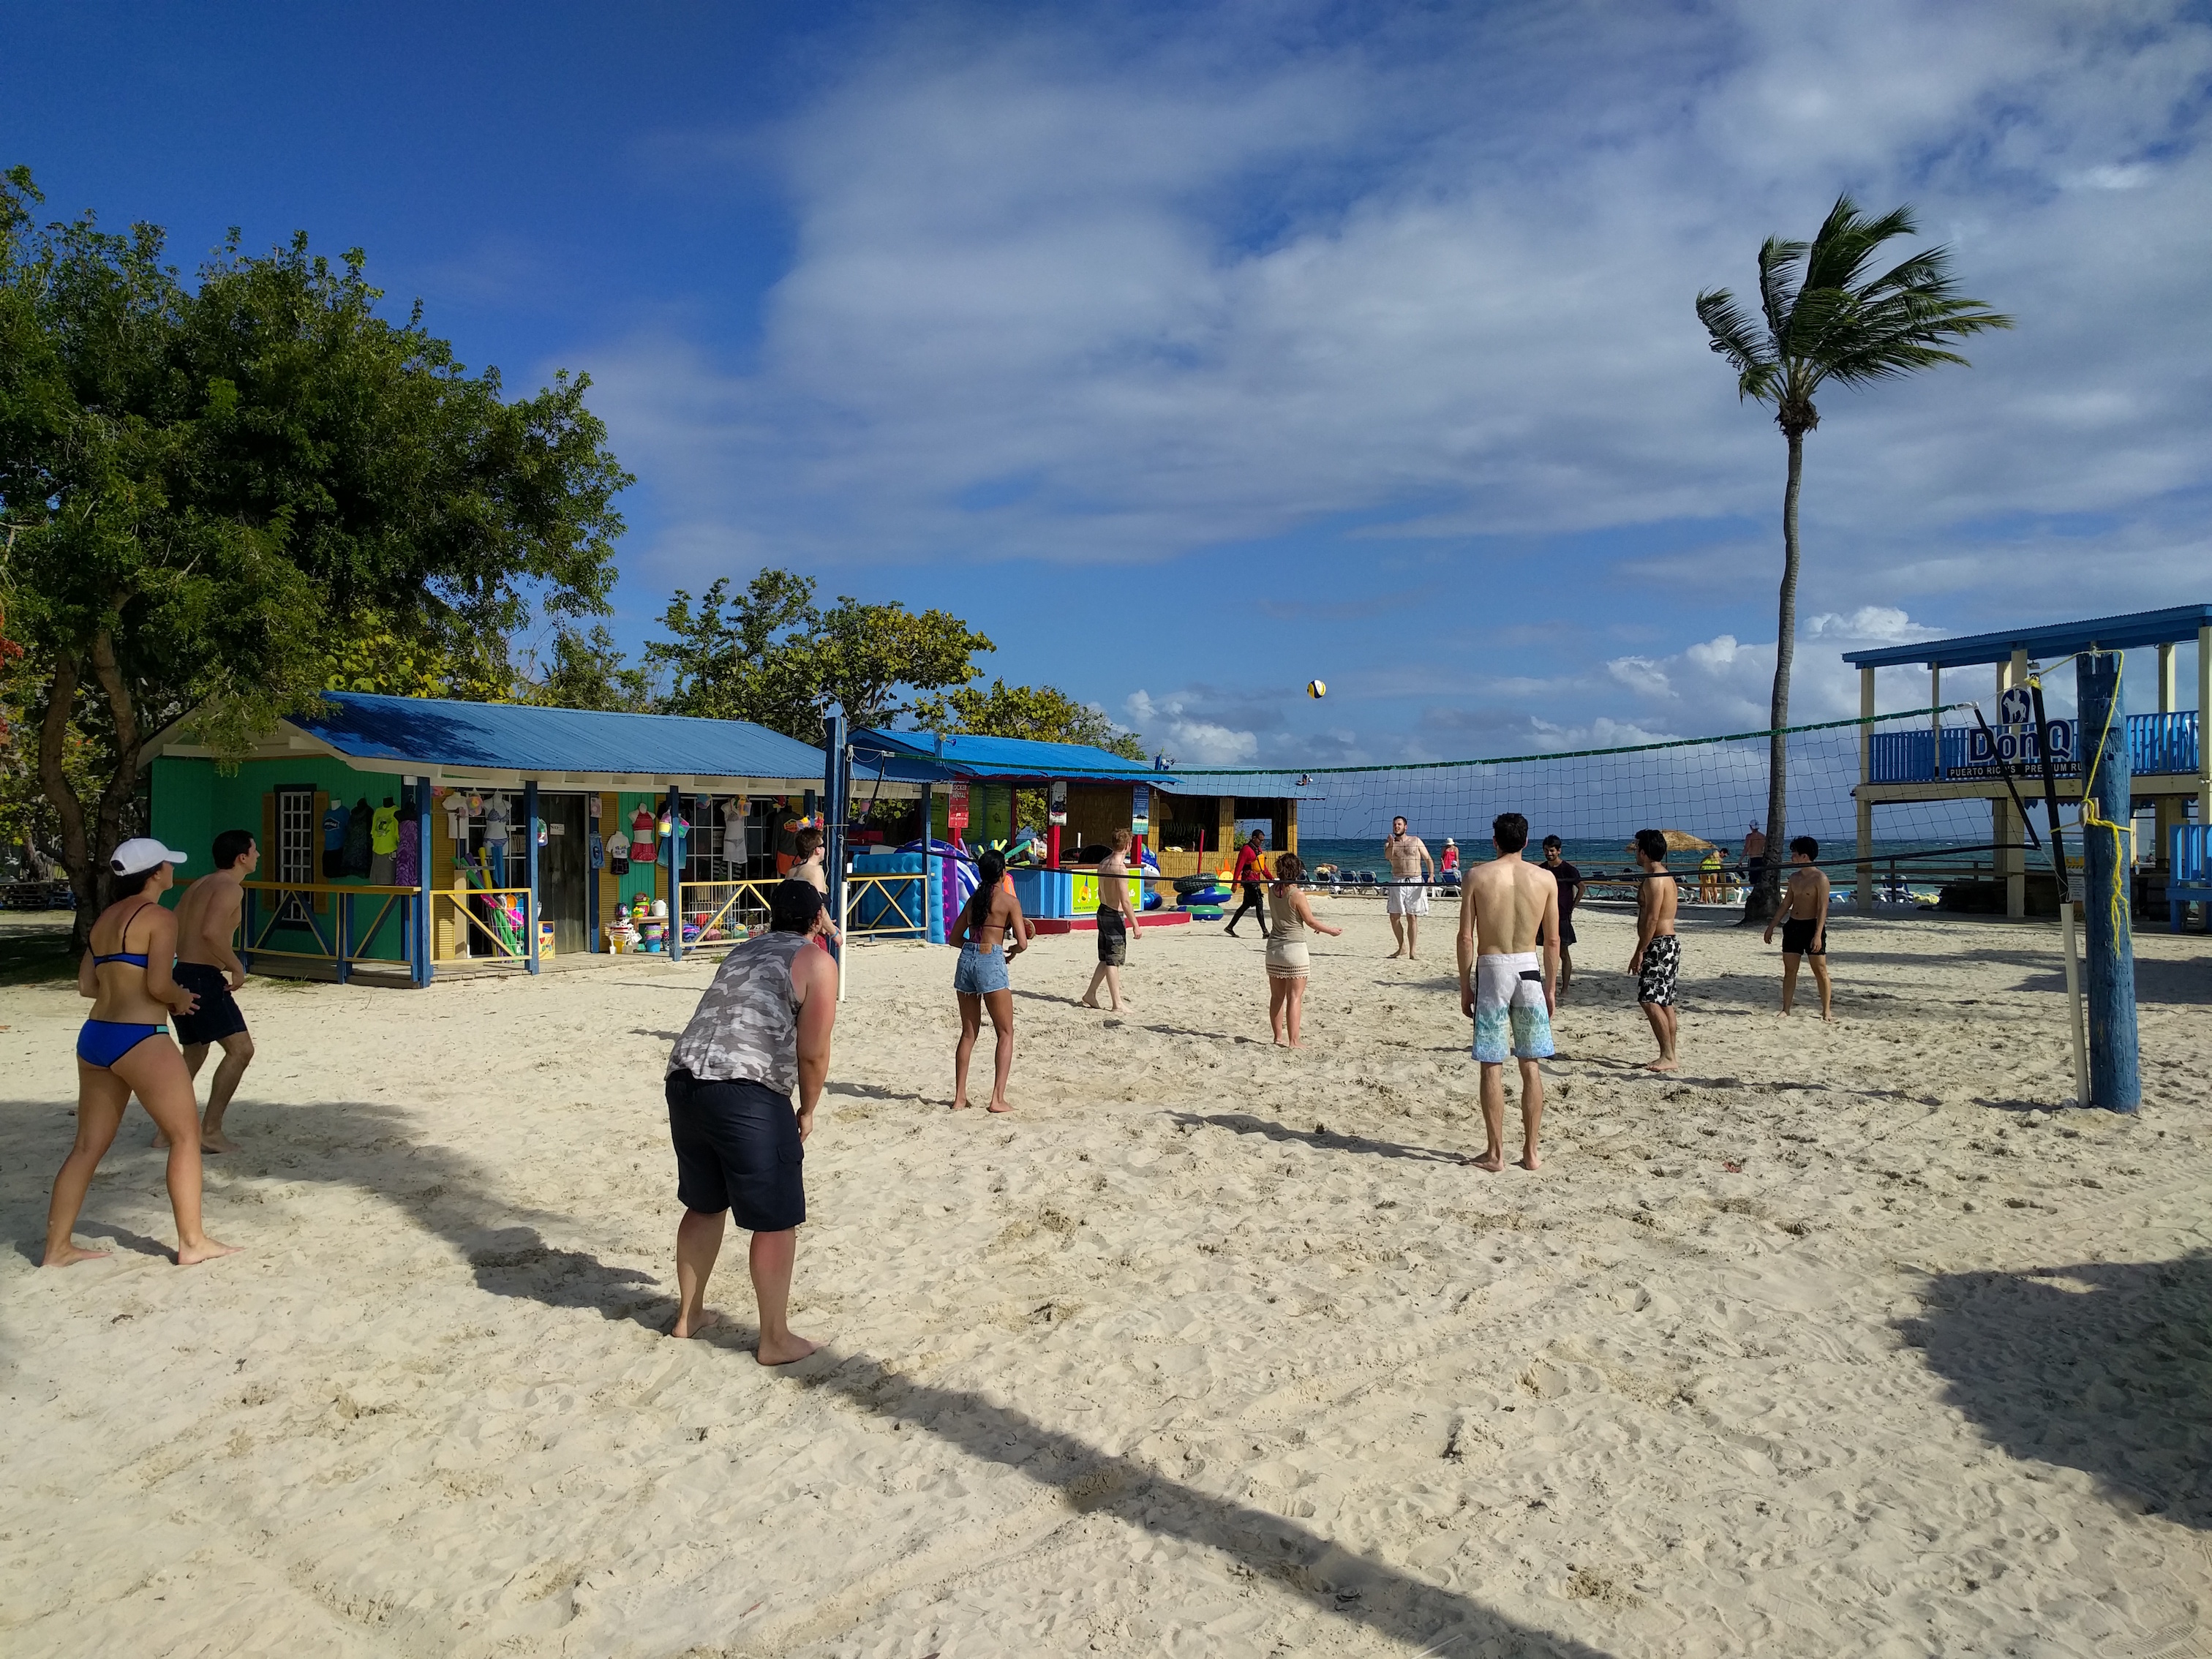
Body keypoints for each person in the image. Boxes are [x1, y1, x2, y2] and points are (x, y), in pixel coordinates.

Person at [663, 879, 838, 1363]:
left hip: (685, 1078)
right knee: (776, 1220)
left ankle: (689, 1315)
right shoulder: (817, 962)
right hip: (744, 1090)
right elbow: (813, 1052)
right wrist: (807, 1109)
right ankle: (775, 1339)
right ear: (815, 921)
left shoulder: (742, 951)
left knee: (704, 1204)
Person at [44, 838, 239, 1268]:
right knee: (186, 1136)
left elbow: (87, 986)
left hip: (95, 1035)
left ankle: (57, 1248)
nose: (173, 868)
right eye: (169, 863)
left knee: (86, 1148)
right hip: (140, 1037)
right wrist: (179, 998)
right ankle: (192, 1242)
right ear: (155, 873)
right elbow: (157, 984)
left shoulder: (103, 921)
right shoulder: (158, 917)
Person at [1456, 813, 1558, 1171]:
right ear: (1527, 842)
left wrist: (1464, 985)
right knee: (1530, 1065)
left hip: (1493, 968)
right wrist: (1551, 986)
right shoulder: (1545, 878)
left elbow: (1466, 937)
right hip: (1529, 967)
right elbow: (1553, 941)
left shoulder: (1477, 876)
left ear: (1494, 840)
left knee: (1492, 1064)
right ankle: (1531, 1153)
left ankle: (1496, 1153)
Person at [163, 829, 259, 1154]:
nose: (258, 856)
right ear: (241, 857)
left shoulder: (198, 885)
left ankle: (166, 1132)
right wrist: (236, 965)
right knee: (241, 1050)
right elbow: (210, 933)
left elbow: (173, 927)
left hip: (182, 974)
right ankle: (211, 1131)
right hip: (203, 977)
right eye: (255, 851)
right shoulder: (230, 887)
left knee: (194, 1051)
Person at [952, 846, 1029, 1112]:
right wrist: (1011, 953)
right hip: (991, 959)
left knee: (968, 1033)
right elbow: (1023, 941)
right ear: (1003, 873)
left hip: (967, 959)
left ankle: (960, 1098)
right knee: (1005, 1032)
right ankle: (997, 1099)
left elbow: (954, 938)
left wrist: (974, 948)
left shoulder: (973, 901)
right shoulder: (1009, 902)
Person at [1263, 853, 1341, 1047]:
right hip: (1294, 949)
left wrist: (1314, 925)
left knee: (1277, 997)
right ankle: (1294, 1041)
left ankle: (1277, 1038)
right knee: (1295, 997)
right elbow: (1310, 920)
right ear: (1297, 871)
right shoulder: (1297, 894)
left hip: (1273, 949)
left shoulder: (1272, 891)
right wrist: (1330, 931)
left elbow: (1297, 918)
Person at [1764, 835, 1833, 1020]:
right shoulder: (1794, 878)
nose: (1792, 856)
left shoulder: (1821, 878)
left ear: (1804, 856)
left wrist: (1818, 934)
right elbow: (1786, 904)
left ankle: (1826, 1010)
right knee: (1790, 970)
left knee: (1820, 970)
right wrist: (1771, 926)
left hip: (1812, 926)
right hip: (1794, 926)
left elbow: (1822, 909)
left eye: (1794, 853)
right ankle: (1786, 1009)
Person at [1629, 827, 1680, 1072]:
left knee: (1649, 1000)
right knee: (1665, 1002)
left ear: (1645, 852)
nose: (1634, 851)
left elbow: (1651, 918)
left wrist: (1640, 950)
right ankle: (1670, 1053)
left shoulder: (1656, 878)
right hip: (1666, 944)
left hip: (1660, 944)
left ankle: (1668, 1055)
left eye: (1637, 847)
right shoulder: (1658, 874)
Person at [1080, 828, 1140, 1012]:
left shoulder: (1104, 862)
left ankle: (1090, 994)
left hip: (1102, 910)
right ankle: (1117, 1003)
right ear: (1128, 845)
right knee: (1114, 960)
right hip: (1113, 914)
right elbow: (1126, 901)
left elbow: (1099, 891)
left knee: (1106, 958)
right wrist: (1136, 925)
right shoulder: (1119, 868)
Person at [1538, 835, 1584, 1001]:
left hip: (1563, 916)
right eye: (1546, 850)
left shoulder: (1568, 869)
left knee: (1563, 952)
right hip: (1545, 916)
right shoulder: (1542, 869)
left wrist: (1573, 905)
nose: (1549, 853)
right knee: (1547, 951)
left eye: (1552, 850)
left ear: (1559, 851)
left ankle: (1565, 989)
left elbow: (1581, 887)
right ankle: (1550, 986)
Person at [1383, 816, 1434, 960]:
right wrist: (1392, 844)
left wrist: (1431, 875)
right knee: (1394, 917)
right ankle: (1402, 947)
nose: (1396, 826)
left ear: (1406, 827)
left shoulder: (1416, 841)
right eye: (1394, 825)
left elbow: (1428, 858)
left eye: (1399, 824)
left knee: (1412, 917)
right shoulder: (1390, 844)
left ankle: (1413, 951)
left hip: (1415, 880)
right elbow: (1388, 857)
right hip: (1397, 880)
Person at [1224, 830, 1268, 937]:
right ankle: (1265, 932)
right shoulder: (1246, 850)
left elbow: (1263, 867)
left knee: (1246, 905)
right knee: (1259, 903)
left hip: (1255, 880)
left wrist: (1272, 879)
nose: (1261, 842)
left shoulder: (1258, 850)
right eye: (1260, 840)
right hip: (1248, 881)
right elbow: (1239, 866)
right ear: (1254, 838)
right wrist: (1235, 882)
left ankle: (1230, 927)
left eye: (1262, 840)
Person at [1744, 821, 1767, 895]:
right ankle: (1761, 895)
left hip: (1753, 859)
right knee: (1760, 879)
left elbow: (1746, 848)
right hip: (1761, 859)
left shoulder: (1749, 836)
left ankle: (1756, 896)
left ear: (1751, 827)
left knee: (1753, 880)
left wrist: (1740, 859)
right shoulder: (1763, 836)